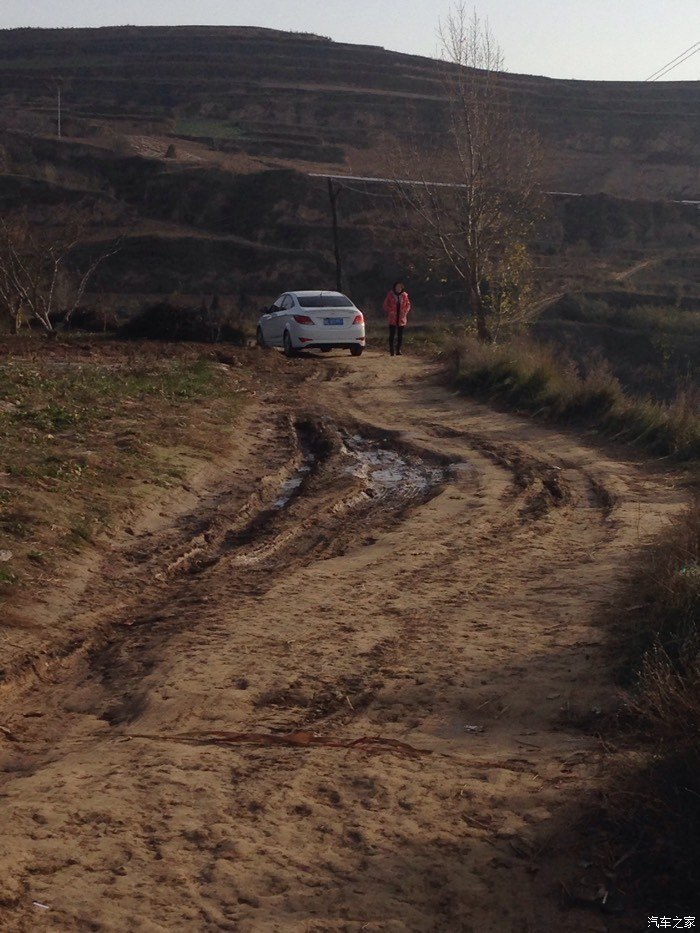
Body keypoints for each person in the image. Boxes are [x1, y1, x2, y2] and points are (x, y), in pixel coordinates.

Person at [382, 281, 411, 356]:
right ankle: (391, 350)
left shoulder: (404, 295)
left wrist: (405, 312)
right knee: (392, 334)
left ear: (402, 288)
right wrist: (390, 311)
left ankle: (398, 350)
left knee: (400, 335)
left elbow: (408, 305)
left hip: (401, 318)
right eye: (397, 287)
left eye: (400, 287)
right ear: (394, 287)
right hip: (392, 318)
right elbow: (385, 305)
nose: (398, 289)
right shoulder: (390, 295)